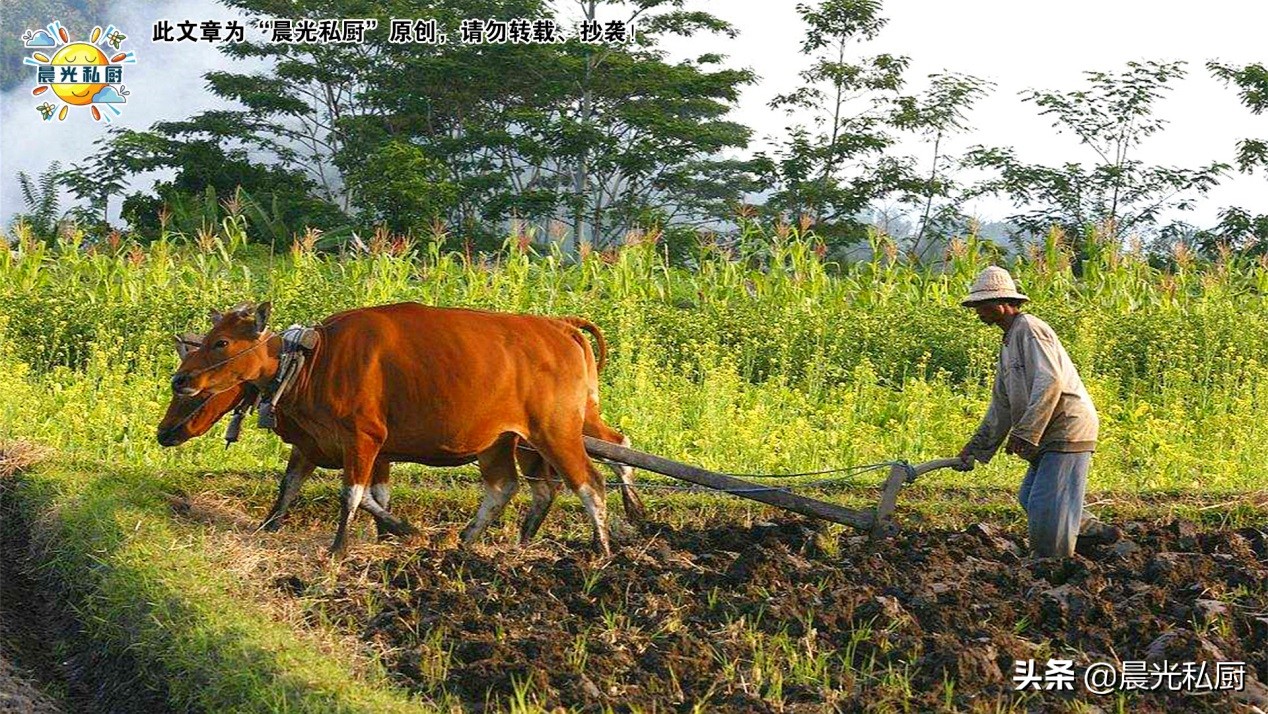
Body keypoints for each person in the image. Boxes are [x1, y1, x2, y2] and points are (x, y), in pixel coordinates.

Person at [954, 266, 1118, 557]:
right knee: (1030, 497)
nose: (978, 311)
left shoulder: (1030, 328)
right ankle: (1095, 536)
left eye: (983, 305)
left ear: (1003, 303)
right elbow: (1001, 405)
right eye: (976, 305)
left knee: (1045, 504)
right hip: (1048, 432)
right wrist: (977, 447)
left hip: (1065, 427)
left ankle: (1050, 564)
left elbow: (1050, 380)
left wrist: (1027, 432)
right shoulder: (1008, 343)